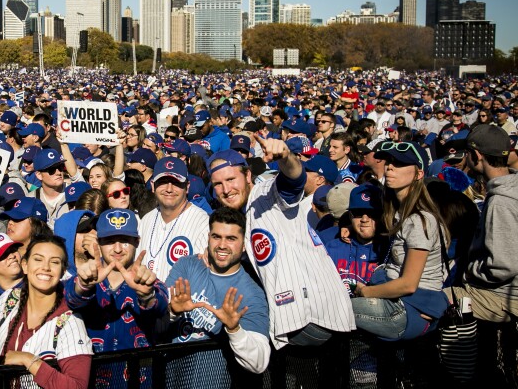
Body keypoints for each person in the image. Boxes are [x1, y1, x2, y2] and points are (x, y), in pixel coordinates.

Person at [207, 141, 356, 348]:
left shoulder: (266, 193)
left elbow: (294, 179)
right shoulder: (240, 215)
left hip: (313, 315)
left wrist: (285, 156)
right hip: (298, 320)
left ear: (248, 176)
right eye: (218, 184)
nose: (226, 189)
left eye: (231, 179)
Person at [350, 141, 450, 341]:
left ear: (419, 174)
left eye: (400, 163)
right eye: (389, 162)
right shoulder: (399, 213)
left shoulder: (420, 220)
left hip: (406, 308)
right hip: (399, 302)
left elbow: (408, 284)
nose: (390, 167)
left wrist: (366, 292)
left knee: (331, 311)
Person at [167, 207, 270, 379]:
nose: (222, 245)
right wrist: (172, 311)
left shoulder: (251, 294)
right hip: (168, 374)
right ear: (208, 238)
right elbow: (155, 320)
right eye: (216, 237)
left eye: (231, 239)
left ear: (244, 245)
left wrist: (234, 329)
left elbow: (259, 363)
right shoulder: (188, 265)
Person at [0, 235, 92, 389]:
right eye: (38, 259)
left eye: (55, 262)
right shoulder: (8, 300)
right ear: (24, 265)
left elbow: (77, 386)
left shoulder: (70, 321)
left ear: (63, 270)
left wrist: (29, 360)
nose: (46, 267)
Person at [65, 208, 168, 353]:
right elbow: (70, 298)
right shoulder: (86, 275)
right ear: (99, 242)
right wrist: (83, 286)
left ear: (137, 242)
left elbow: (161, 305)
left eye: (125, 240)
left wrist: (146, 295)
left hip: (137, 372)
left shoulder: (147, 280)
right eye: (109, 241)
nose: (118, 249)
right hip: (93, 371)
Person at [447, 125, 518, 321]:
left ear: (476, 155)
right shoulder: (511, 186)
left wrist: (469, 272)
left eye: (467, 153)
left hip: (505, 296)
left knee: (434, 302)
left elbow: (502, 267)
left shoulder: (501, 201)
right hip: (505, 291)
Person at [137, 157, 210, 282]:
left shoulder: (202, 222)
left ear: (187, 187)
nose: (169, 189)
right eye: (163, 182)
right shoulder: (146, 219)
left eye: (176, 182)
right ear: (153, 185)